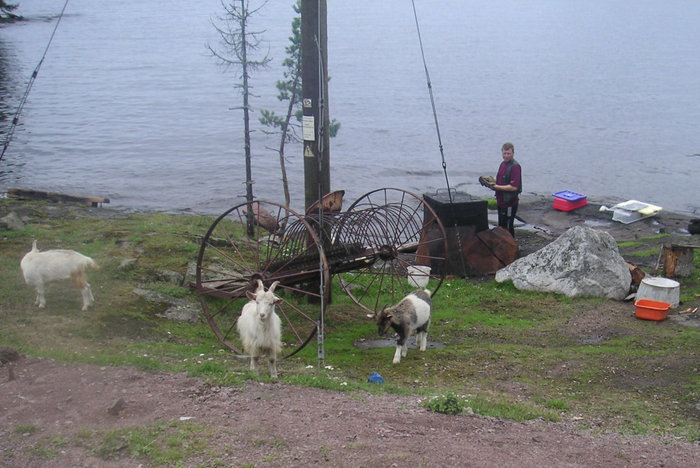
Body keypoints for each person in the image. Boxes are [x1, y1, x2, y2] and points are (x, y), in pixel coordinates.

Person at [491, 142, 522, 238]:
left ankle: (512, 245)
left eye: (508, 153)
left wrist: (496, 187)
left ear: (513, 153)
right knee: (501, 225)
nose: (506, 156)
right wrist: (491, 181)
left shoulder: (515, 166)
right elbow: (502, 180)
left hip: (509, 203)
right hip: (501, 201)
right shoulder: (503, 164)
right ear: (502, 153)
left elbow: (514, 187)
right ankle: (503, 245)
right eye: (504, 153)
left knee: (508, 226)